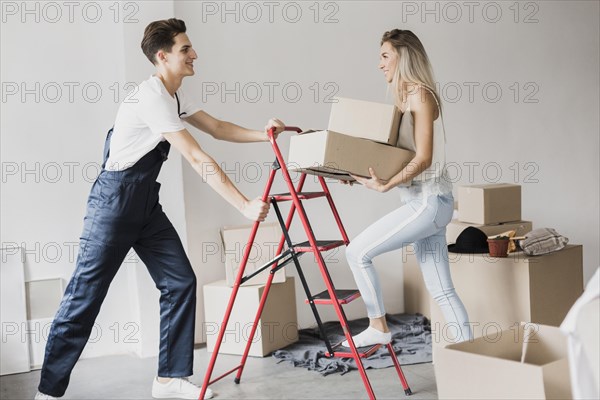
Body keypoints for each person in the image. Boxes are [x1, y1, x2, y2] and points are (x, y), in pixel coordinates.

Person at [35, 18, 284, 400]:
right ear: (163, 56)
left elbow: (216, 127)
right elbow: (196, 155)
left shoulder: (173, 95)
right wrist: (244, 204)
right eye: (186, 49)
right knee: (84, 298)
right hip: (114, 205)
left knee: (180, 281)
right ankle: (48, 393)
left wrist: (264, 135)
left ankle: (168, 379)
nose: (194, 54)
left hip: (144, 205)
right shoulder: (150, 96)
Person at [342, 29, 472, 348]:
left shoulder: (420, 95)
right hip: (429, 203)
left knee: (356, 252)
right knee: (442, 290)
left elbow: (424, 158)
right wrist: (358, 172)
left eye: (385, 56)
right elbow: (400, 158)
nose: (380, 64)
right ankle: (473, 357)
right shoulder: (405, 99)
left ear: (404, 57)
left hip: (428, 202)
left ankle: (378, 326)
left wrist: (387, 184)